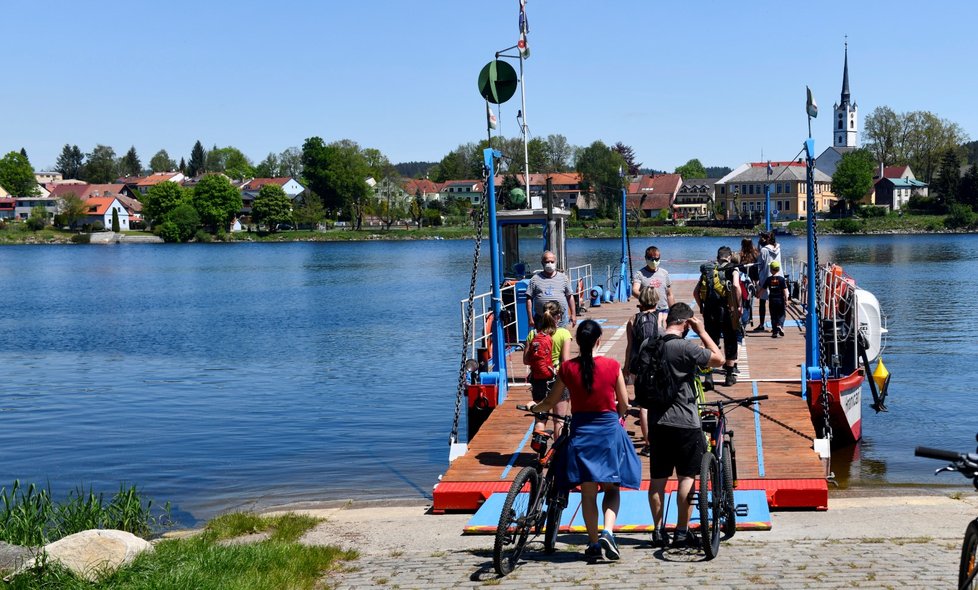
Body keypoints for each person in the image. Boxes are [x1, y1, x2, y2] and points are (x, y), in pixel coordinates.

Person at [531, 320, 641, 561]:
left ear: (578, 342)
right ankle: (608, 532)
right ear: (598, 341)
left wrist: (534, 407)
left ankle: (593, 543)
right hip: (608, 433)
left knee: (588, 492)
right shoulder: (611, 366)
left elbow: (550, 402)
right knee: (611, 488)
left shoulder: (568, 369)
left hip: (582, 436)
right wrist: (619, 414)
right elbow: (623, 404)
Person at [647, 303, 724, 548]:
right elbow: (719, 359)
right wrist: (701, 331)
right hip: (685, 421)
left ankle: (658, 531)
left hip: (657, 421)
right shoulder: (685, 347)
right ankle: (681, 531)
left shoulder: (648, 345)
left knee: (658, 479)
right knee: (686, 477)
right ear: (685, 323)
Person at [693, 246, 741, 388]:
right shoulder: (733, 268)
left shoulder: (708, 270)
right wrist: (738, 305)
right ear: (730, 256)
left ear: (717, 256)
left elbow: (696, 293)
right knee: (730, 339)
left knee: (710, 342)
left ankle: (708, 377)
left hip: (710, 311)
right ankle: (729, 376)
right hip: (727, 310)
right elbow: (737, 286)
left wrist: (702, 307)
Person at [522, 301, 573, 436]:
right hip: (558, 380)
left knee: (540, 419)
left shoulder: (533, 334)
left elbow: (526, 360)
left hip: (538, 379)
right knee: (559, 420)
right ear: (558, 317)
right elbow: (566, 361)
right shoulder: (564, 334)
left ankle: (539, 452)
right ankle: (558, 454)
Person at [623, 286, 660, 456]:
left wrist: (626, 367)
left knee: (644, 406)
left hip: (640, 366)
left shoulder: (633, 319)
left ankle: (649, 443)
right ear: (656, 299)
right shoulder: (662, 318)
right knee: (661, 403)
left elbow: (630, 347)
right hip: (659, 364)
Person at [526, 250, 575, 329]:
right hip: (541, 320)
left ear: (555, 262)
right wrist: (530, 318)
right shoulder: (535, 279)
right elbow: (529, 298)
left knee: (560, 339)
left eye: (552, 262)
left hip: (560, 320)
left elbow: (570, 296)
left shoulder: (563, 278)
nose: (550, 264)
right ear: (542, 263)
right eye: (547, 262)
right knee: (542, 340)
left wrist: (573, 314)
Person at [631, 245, 674, 328]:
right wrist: (647, 299)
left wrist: (673, 311)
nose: (654, 261)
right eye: (651, 259)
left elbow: (669, 294)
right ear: (646, 258)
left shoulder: (664, 273)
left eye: (657, 259)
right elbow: (634, 290)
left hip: (664, 309)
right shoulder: (639, 274)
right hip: (647, 310)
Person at [754, 232, 782, 332]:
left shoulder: (764, 250)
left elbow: (759, 264)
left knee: (762, 301)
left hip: (765, 278)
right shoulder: (778, 248)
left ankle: (761, 324)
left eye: (762, 238)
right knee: (775, 302)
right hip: (777, 277)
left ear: (765, 239)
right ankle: (777, 323)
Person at [762, 260, 788, 338]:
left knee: (773, 315)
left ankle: (774, 332)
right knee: (782, 314)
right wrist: (786, 300)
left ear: (771, 269)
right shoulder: (782, 279)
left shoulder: (768, 279)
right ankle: (780, 325)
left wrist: (758, 294)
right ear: (779, 269)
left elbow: (763, 289)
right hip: (780, 299)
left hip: (772, 300)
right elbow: (784, 290)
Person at [738, 237, 760, 329]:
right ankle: (745, 323)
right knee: (748, 304)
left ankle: (740, 323)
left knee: (740, 303)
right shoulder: (755, 255)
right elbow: (756, 272)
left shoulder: (740, 255)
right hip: (750, 284)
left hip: (741, 283)